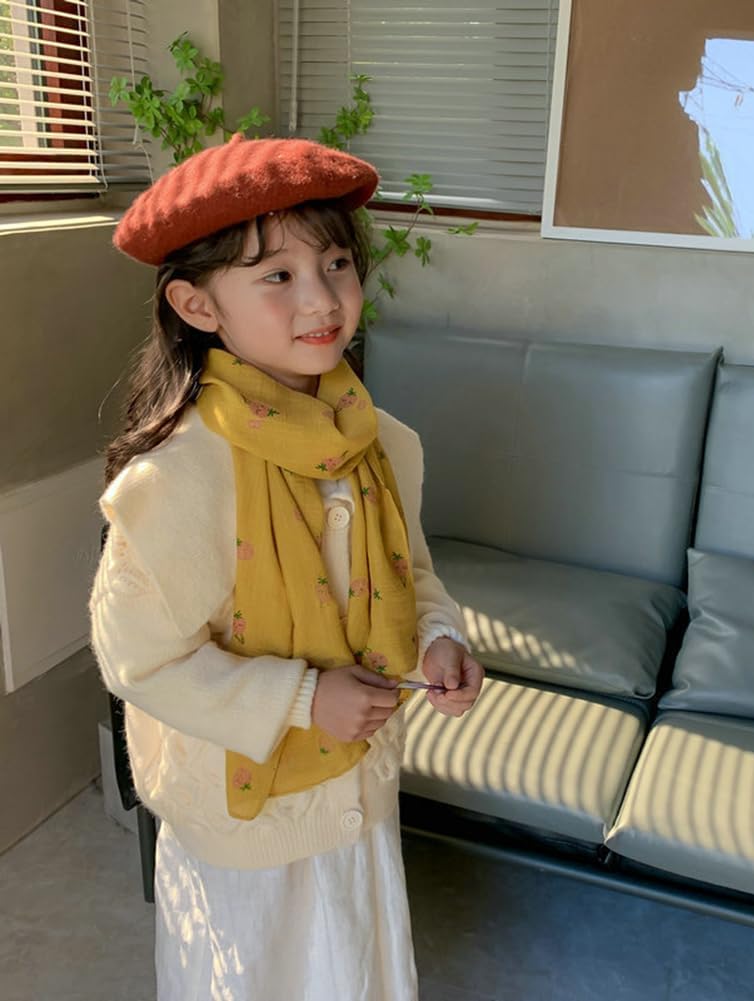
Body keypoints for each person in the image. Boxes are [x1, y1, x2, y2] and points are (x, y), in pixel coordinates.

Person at [89, 133, 484, 1001]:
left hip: (359, 791)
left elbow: (411, 575)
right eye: (276, 275)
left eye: (336, 263)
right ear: (197, 304)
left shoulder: (384, 445)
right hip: (243, 827)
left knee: (356, 968)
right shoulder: (175, 482)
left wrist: (438, 640)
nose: (321, 298)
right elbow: (138, 662)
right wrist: (304, 698)